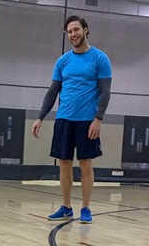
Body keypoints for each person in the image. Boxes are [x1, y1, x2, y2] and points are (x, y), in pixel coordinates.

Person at [31, 15, 112, 224]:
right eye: (69, 31)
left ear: (85, 30)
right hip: (64, 119)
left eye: (76, 30)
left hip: (87, 121)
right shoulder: (63, 61)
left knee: (85, 164)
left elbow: (105, 91)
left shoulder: (100, 59)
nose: (73, 34)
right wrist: (40, 117)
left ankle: (86, 208)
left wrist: (98, 118)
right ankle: (66, 207)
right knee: (64, 164)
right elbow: (52, 91)